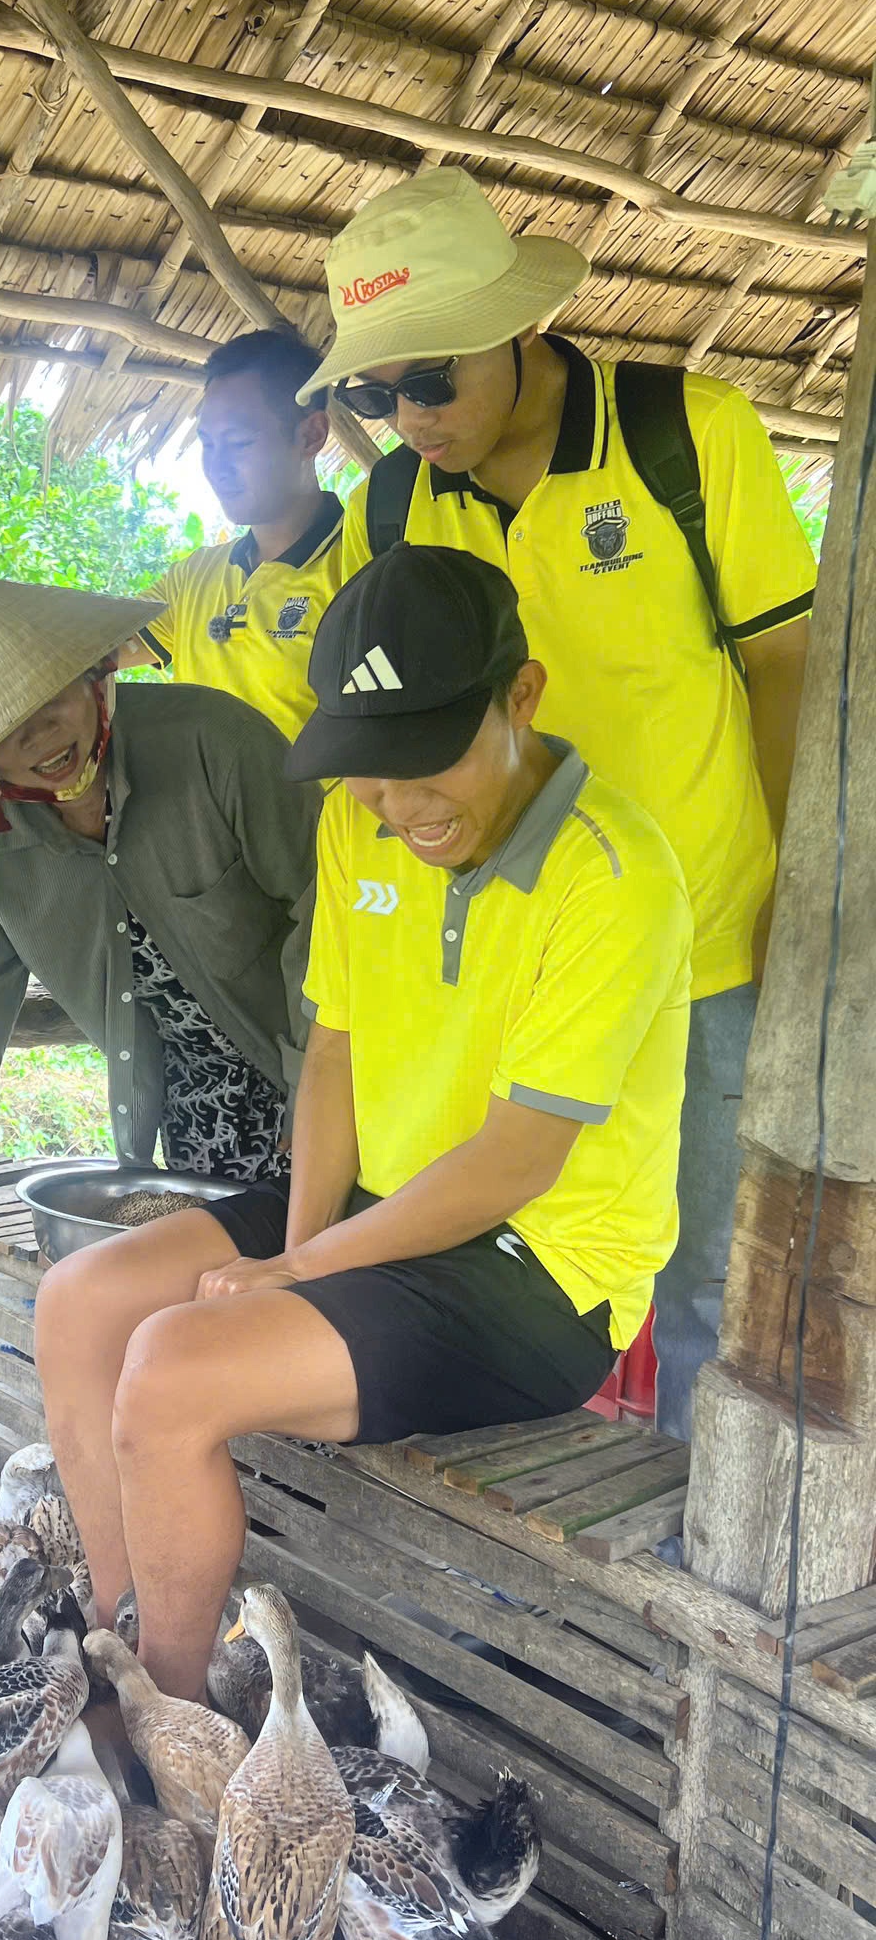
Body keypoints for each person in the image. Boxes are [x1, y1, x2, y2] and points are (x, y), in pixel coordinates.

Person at [34, 545, 691, 1702]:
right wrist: (297, 1247)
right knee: (79, 1300)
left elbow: (513, 1160)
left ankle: (164, 1712)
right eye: (368, 774)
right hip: (377, 1210)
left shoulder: (613, 875)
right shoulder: (363, 821)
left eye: (421, 765)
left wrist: (300, 1271)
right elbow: (332, 1050)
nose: (397, 808)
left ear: (520, 697)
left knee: (172, 1370)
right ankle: (111, 1619)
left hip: (537, 1265)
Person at [310, 167, 814, 1442]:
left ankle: (684, 1557)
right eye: (377, 390)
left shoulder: (688, 439)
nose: (409, 416)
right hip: (497, 965)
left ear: (520, 329)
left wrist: (797, 901)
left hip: (699, 943)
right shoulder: (392, 510)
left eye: (434, 377)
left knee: (699, 1270)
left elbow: (787, 672)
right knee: (485, 1271)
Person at [0, 569, 319, 1355]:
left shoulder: (215, 743)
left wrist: (319, 1084)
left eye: (53, 704)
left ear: (97, 676)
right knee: (221, 1323)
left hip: (324, 1075)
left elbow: (331, 911)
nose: (42, 739)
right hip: (189, 1112)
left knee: (318, 1300)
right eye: (8, 733)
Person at [128, 328, 345, 736]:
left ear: (312, 435)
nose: (217, 467)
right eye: (208, 444)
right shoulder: (192, 580)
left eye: (239, 443)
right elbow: (89, 649)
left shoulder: (360, 569)